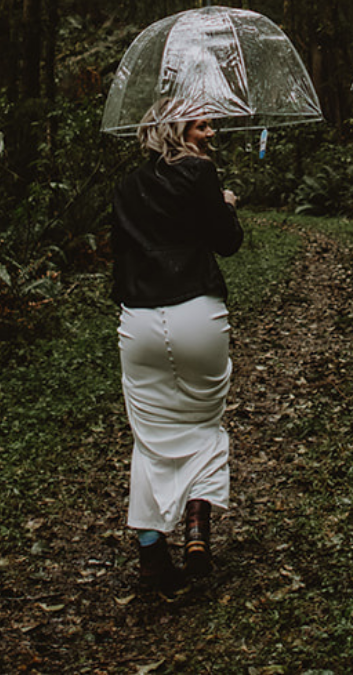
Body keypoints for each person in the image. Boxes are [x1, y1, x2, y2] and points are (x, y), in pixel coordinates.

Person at [111, 104, 243, 594]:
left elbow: (119, 255)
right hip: (196, 314)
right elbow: (227, 242)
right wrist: (225, 204)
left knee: (150, 438)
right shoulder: (200, 172)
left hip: (140, 321)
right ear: (176, 130)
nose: (211, 133)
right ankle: (195, 525)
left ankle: (151, 556)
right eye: (202, 124)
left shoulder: (126, 186)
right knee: (203, 425)